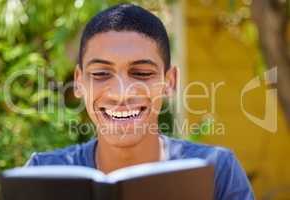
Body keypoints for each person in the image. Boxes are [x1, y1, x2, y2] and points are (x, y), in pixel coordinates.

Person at [26, 3, 254, 200]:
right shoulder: (41, 174)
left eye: (142, 73)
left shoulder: (217, 172)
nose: (122, 93)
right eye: (101, 74)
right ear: (78, 82)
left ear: (169, 82)